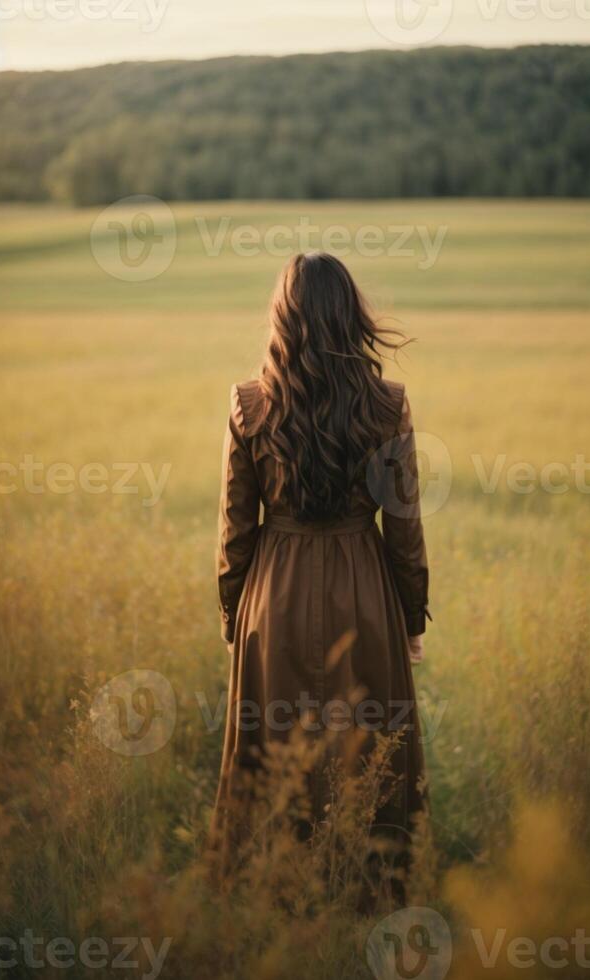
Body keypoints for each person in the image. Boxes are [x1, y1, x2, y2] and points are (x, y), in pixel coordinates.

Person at [212, 252, 430, 884]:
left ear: (284, 318)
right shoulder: (388, 405)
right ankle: (368, 888)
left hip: (272, 597)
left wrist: (235, 616)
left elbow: (236, 530)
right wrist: (411, 619)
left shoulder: (249, 404)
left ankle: (270, 888)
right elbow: (406, 528)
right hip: (365, 592)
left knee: (272, 747)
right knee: (367, 747)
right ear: (349, 316)